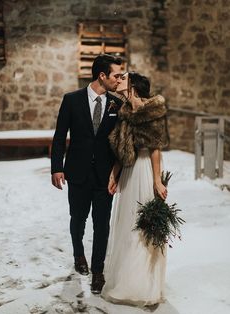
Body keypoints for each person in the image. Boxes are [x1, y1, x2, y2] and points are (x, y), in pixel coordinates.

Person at [51, 54, 123, 294]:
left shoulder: (117, 104)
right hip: (77, 172)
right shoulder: (71, 100)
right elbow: (60, 136)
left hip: (105, 177)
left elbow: (120, 142)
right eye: (116, 75)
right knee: (78, 219)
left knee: (101, 224)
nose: (119, 79)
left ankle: (98, 270)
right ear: (102, 75)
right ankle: (78, 254)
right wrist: (56, 168)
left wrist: (117, 172)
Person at [101, 72, 169, 306]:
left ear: (133, 86)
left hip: (144, 171)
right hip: (129, 171)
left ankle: (144, 284)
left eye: (123, 78)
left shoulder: (151, 109)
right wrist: (114, 173)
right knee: (128, 224)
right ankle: (127, 279)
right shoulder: (125, 111)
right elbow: (123, 148)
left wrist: (157, 180)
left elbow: (155, 148)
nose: (118, 79)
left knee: (142, 226)